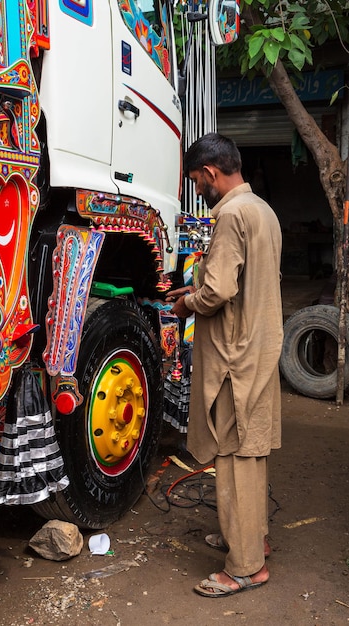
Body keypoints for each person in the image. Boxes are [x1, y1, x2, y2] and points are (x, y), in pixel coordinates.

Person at [166, 133, 283, 598]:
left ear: (212, 173)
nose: (199, 190)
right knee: (249, 454)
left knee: (235, 459)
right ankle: (252, 541)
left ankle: (245, 567)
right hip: (258, 348)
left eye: (197, 181)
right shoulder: (262, 210)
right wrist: (195, 293)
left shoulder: (231, 213)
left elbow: (217, 292)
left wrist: (187, 304)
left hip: (237, 358)